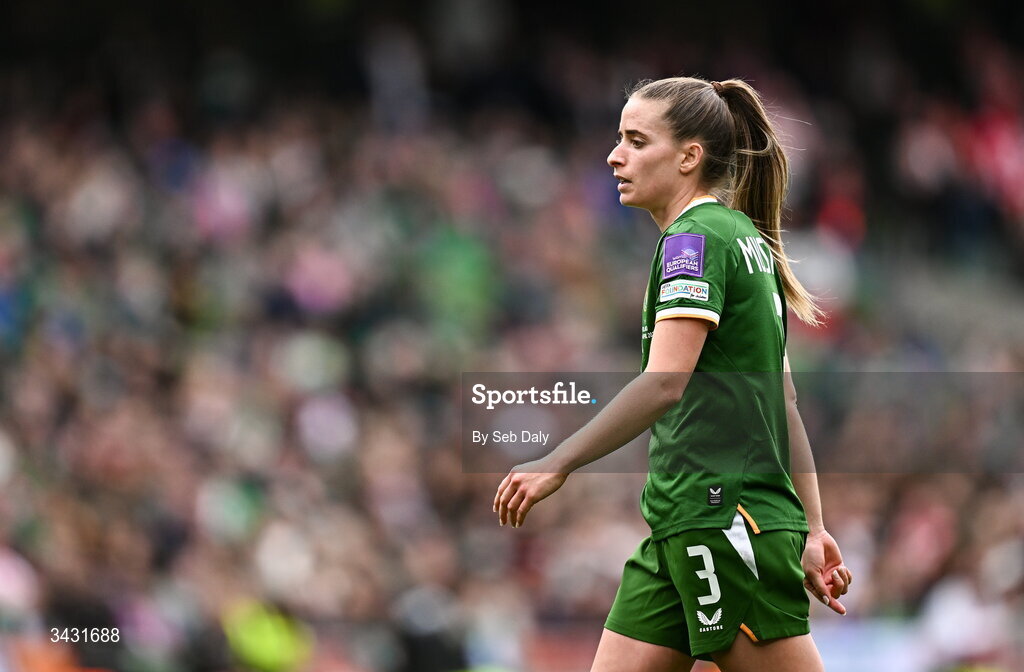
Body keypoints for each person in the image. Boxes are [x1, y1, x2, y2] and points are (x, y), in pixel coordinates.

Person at [493, 76, 853, 672]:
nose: (615, 155)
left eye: (636, 140)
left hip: (724, 519)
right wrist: (812, 527)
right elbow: (783, 402)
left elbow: (665, 383)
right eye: (619, 139)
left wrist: (556, 461)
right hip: (679, 522)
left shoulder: (694, 239)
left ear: (690, 156)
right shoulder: (747, 241)